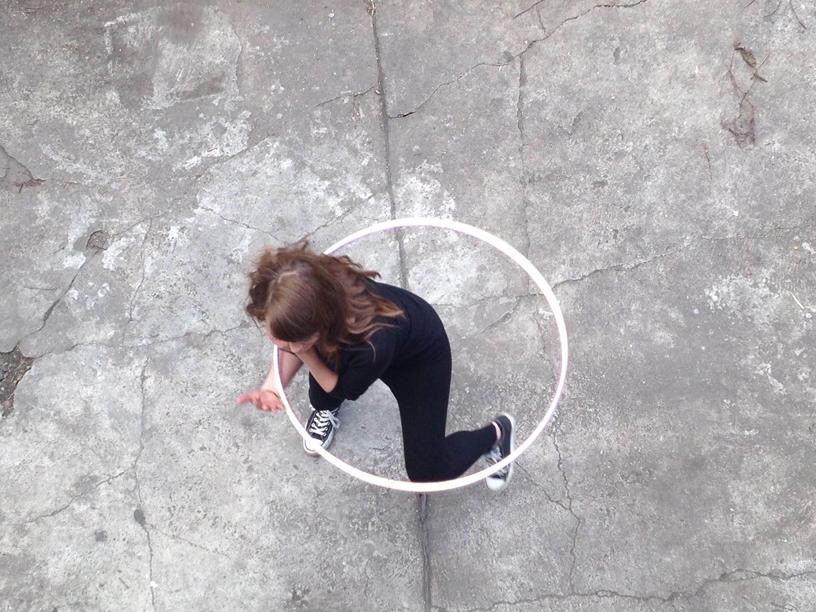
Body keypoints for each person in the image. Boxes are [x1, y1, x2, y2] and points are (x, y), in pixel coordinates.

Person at [236, 241, 515, 489]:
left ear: (316, 330)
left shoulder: (373, 346)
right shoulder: (310, 282)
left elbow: (343, 389)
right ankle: (325, 406)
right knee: (320, 396)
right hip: (341, 340)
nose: (276, 342)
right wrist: (272, 387)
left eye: (290, 342)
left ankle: (497, 434)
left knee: (427, 470)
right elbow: (294, 342)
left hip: (418, 359)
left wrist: (307, 355)